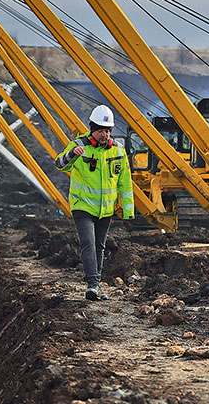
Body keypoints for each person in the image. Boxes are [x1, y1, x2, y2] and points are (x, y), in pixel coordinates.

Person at [55, 104, 134, 301]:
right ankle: (92, 284)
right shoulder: (79, 145)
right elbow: (59, 164)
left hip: (105, 209)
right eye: (100, 130)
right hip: (82, 206)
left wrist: (128, 209)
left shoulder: (118, 151)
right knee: (88, 243)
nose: (104, 134)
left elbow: (125, 182)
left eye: (107, 130)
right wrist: (72, 154)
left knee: (100, 245)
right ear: (92, 128)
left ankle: (96, 285)